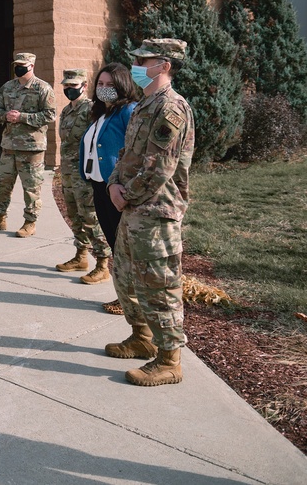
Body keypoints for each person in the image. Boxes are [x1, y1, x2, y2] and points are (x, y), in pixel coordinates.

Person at [104, 39, 194, 387]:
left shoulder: (172, 109)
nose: (138, 66)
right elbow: (127, 154)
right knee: (125, 276)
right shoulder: (146, 105)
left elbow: (160, 167)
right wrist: (114, 184)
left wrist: (127, 196)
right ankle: (141, 337)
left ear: (164, 65)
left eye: (144, 60)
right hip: (133, 208)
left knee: (159, 286)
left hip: (156, 212)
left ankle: (170, 360)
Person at [78, 63, 141, 293]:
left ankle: (129, 299)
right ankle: (125, 295)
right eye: (100, 84)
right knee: (115, 245)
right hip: (99, 186)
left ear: (122, 85)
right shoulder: (102, 113)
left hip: (116, 187)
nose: (103, 88)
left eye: (110, 85)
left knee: (123, 247)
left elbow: (136, 150)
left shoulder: (128, 110)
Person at [0, 52, 56, 237]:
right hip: (9, 145)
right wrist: (5, 115)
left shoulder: (42, 88)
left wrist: (22, 117)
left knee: (31, 187)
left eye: (22, 65)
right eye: (16, 64)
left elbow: (50, 115)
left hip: (31, 148)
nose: (18, 68)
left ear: (31, 66)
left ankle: (30, 222)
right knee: (3, 184)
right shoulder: (7, 87)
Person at [54, 69, 112, 277]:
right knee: (74, 215)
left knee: (90, 217)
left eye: (74, 86)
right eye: (66, 86)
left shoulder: (92, 110)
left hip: (85, 175)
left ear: (84, 86)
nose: (69, 89)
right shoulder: (67, 111)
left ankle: (103, 264)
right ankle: (81, 256)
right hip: (68, 173)